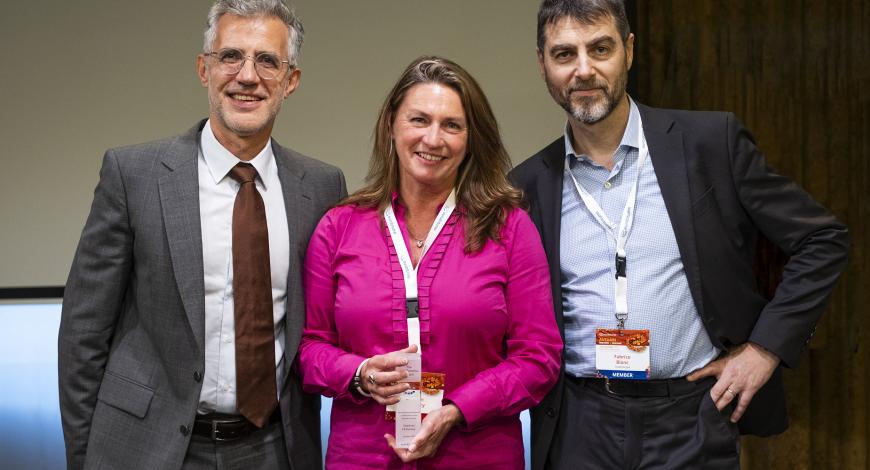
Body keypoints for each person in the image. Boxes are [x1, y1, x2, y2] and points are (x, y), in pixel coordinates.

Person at [509, 1, 850, 469]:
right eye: (565, 54)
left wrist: (766, 348)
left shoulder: (710, 142)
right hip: (579, 424)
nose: (584, 70)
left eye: (600, 48)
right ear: (543, 64)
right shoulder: (526, 186)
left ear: (628, 51)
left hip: (690, 416)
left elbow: (822, 241)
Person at [57, 1, 346, 468]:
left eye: (267, 60)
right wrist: (84, 454)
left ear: (291, 81)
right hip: (144, 446)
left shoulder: (321, 187)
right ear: (204, 68)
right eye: (230, 56)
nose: (247, 76)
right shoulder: (134, 174)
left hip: (275, 447)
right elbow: (84, 331)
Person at [298, 56, 562, 469]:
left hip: (477, 453)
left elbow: (539, 357)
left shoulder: (509, 228)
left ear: (471, 138)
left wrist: (458, 409)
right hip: (364, 456)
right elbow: (309, 348)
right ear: (392, 124)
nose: (433, 139)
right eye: (419, 119)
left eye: (452, 125)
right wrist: (359, 372)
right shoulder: (339, 227)